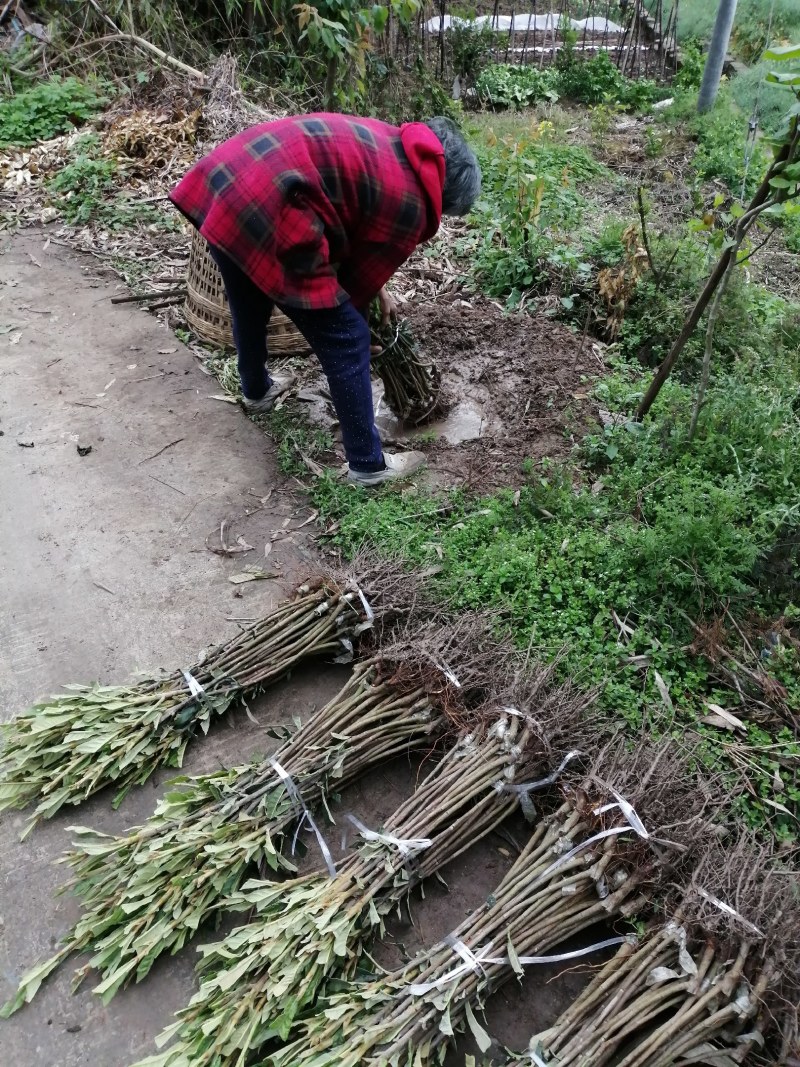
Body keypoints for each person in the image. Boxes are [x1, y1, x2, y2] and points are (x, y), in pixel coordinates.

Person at [169, 113, 481, 486]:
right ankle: (368, 465)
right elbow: (352, 283)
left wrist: (379, 289)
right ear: (446, 193)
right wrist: (362, 329)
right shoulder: (412, 201)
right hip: (275, 202)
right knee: (348, 339)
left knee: (248, 294)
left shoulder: (390, 142)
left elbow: (350, 228)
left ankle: (256, 391)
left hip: (233, 181)